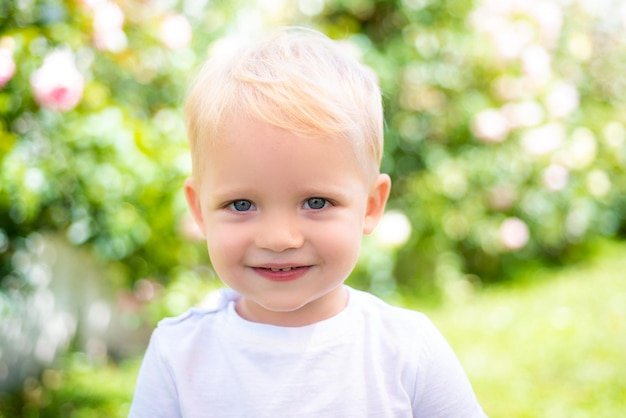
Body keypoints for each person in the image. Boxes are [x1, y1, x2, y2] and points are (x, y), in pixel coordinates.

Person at [129, 26, 487, 417]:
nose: (279, 238)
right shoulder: (179, 355)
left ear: (370, 206)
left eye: (316, 202)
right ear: (199, 211)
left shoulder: (406, 351)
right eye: (241, 204)